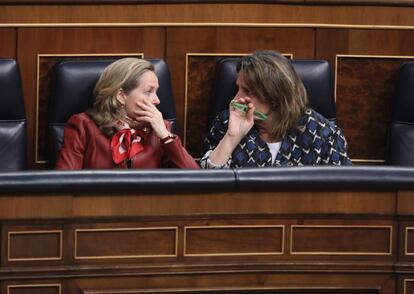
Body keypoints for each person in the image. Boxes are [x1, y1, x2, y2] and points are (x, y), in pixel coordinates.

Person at [200, 50, 352, 168]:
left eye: (248, 91)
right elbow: (208, 186)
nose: (236, 99)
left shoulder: (323, 134)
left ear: (275, 97)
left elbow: (343, 191)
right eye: (238, 88)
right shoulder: (226, 122)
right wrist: (232, 137)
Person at [55, 58, 199, 169]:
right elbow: (64, 183)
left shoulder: (161, 130)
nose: (157, 100)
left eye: (156, 92)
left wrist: (166, 137)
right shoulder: (83, 126)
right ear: (121, 96)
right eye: (149, 92)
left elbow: (195, 181)